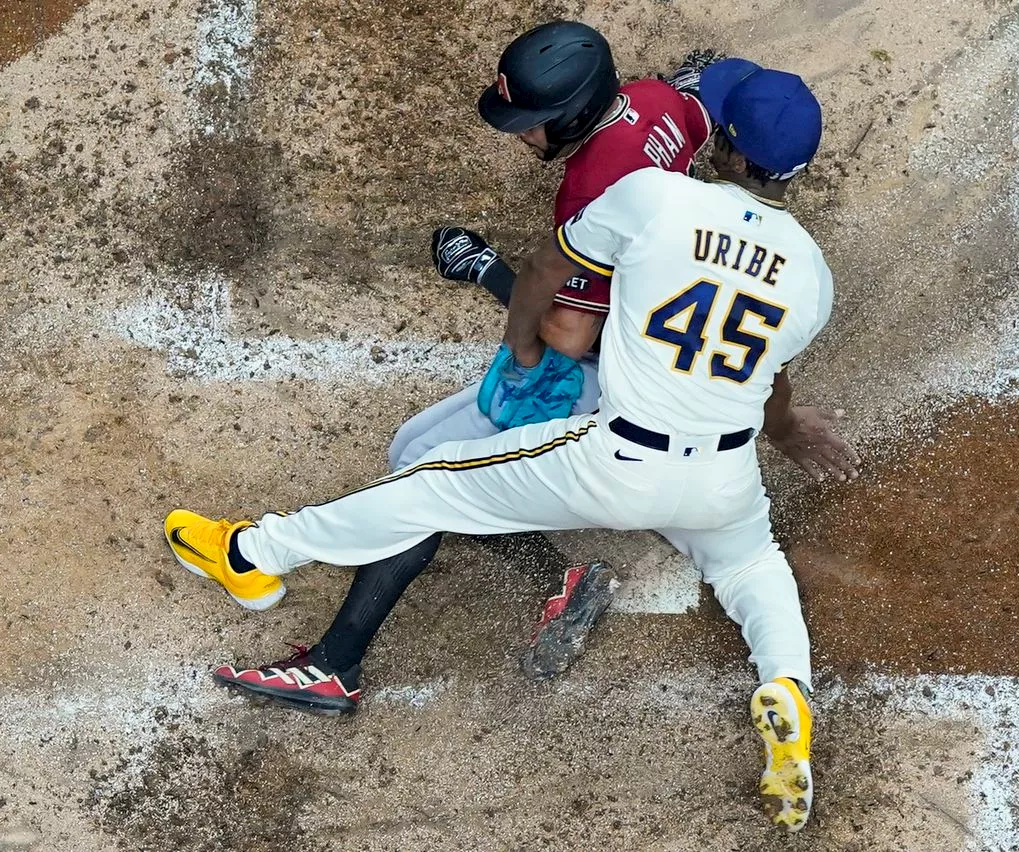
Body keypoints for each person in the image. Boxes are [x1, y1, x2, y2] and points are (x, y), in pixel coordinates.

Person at [164, 59, 841, 832]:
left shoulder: (655, 197)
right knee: (755, 569)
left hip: (615, 460)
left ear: (724, 142)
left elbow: (551, 281)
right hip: (724, 474)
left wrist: (516, 342)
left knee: (432, 475)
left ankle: (254, 555)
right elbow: (774, 392)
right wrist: (786, 434)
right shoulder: (812, 278)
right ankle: (788, 693)